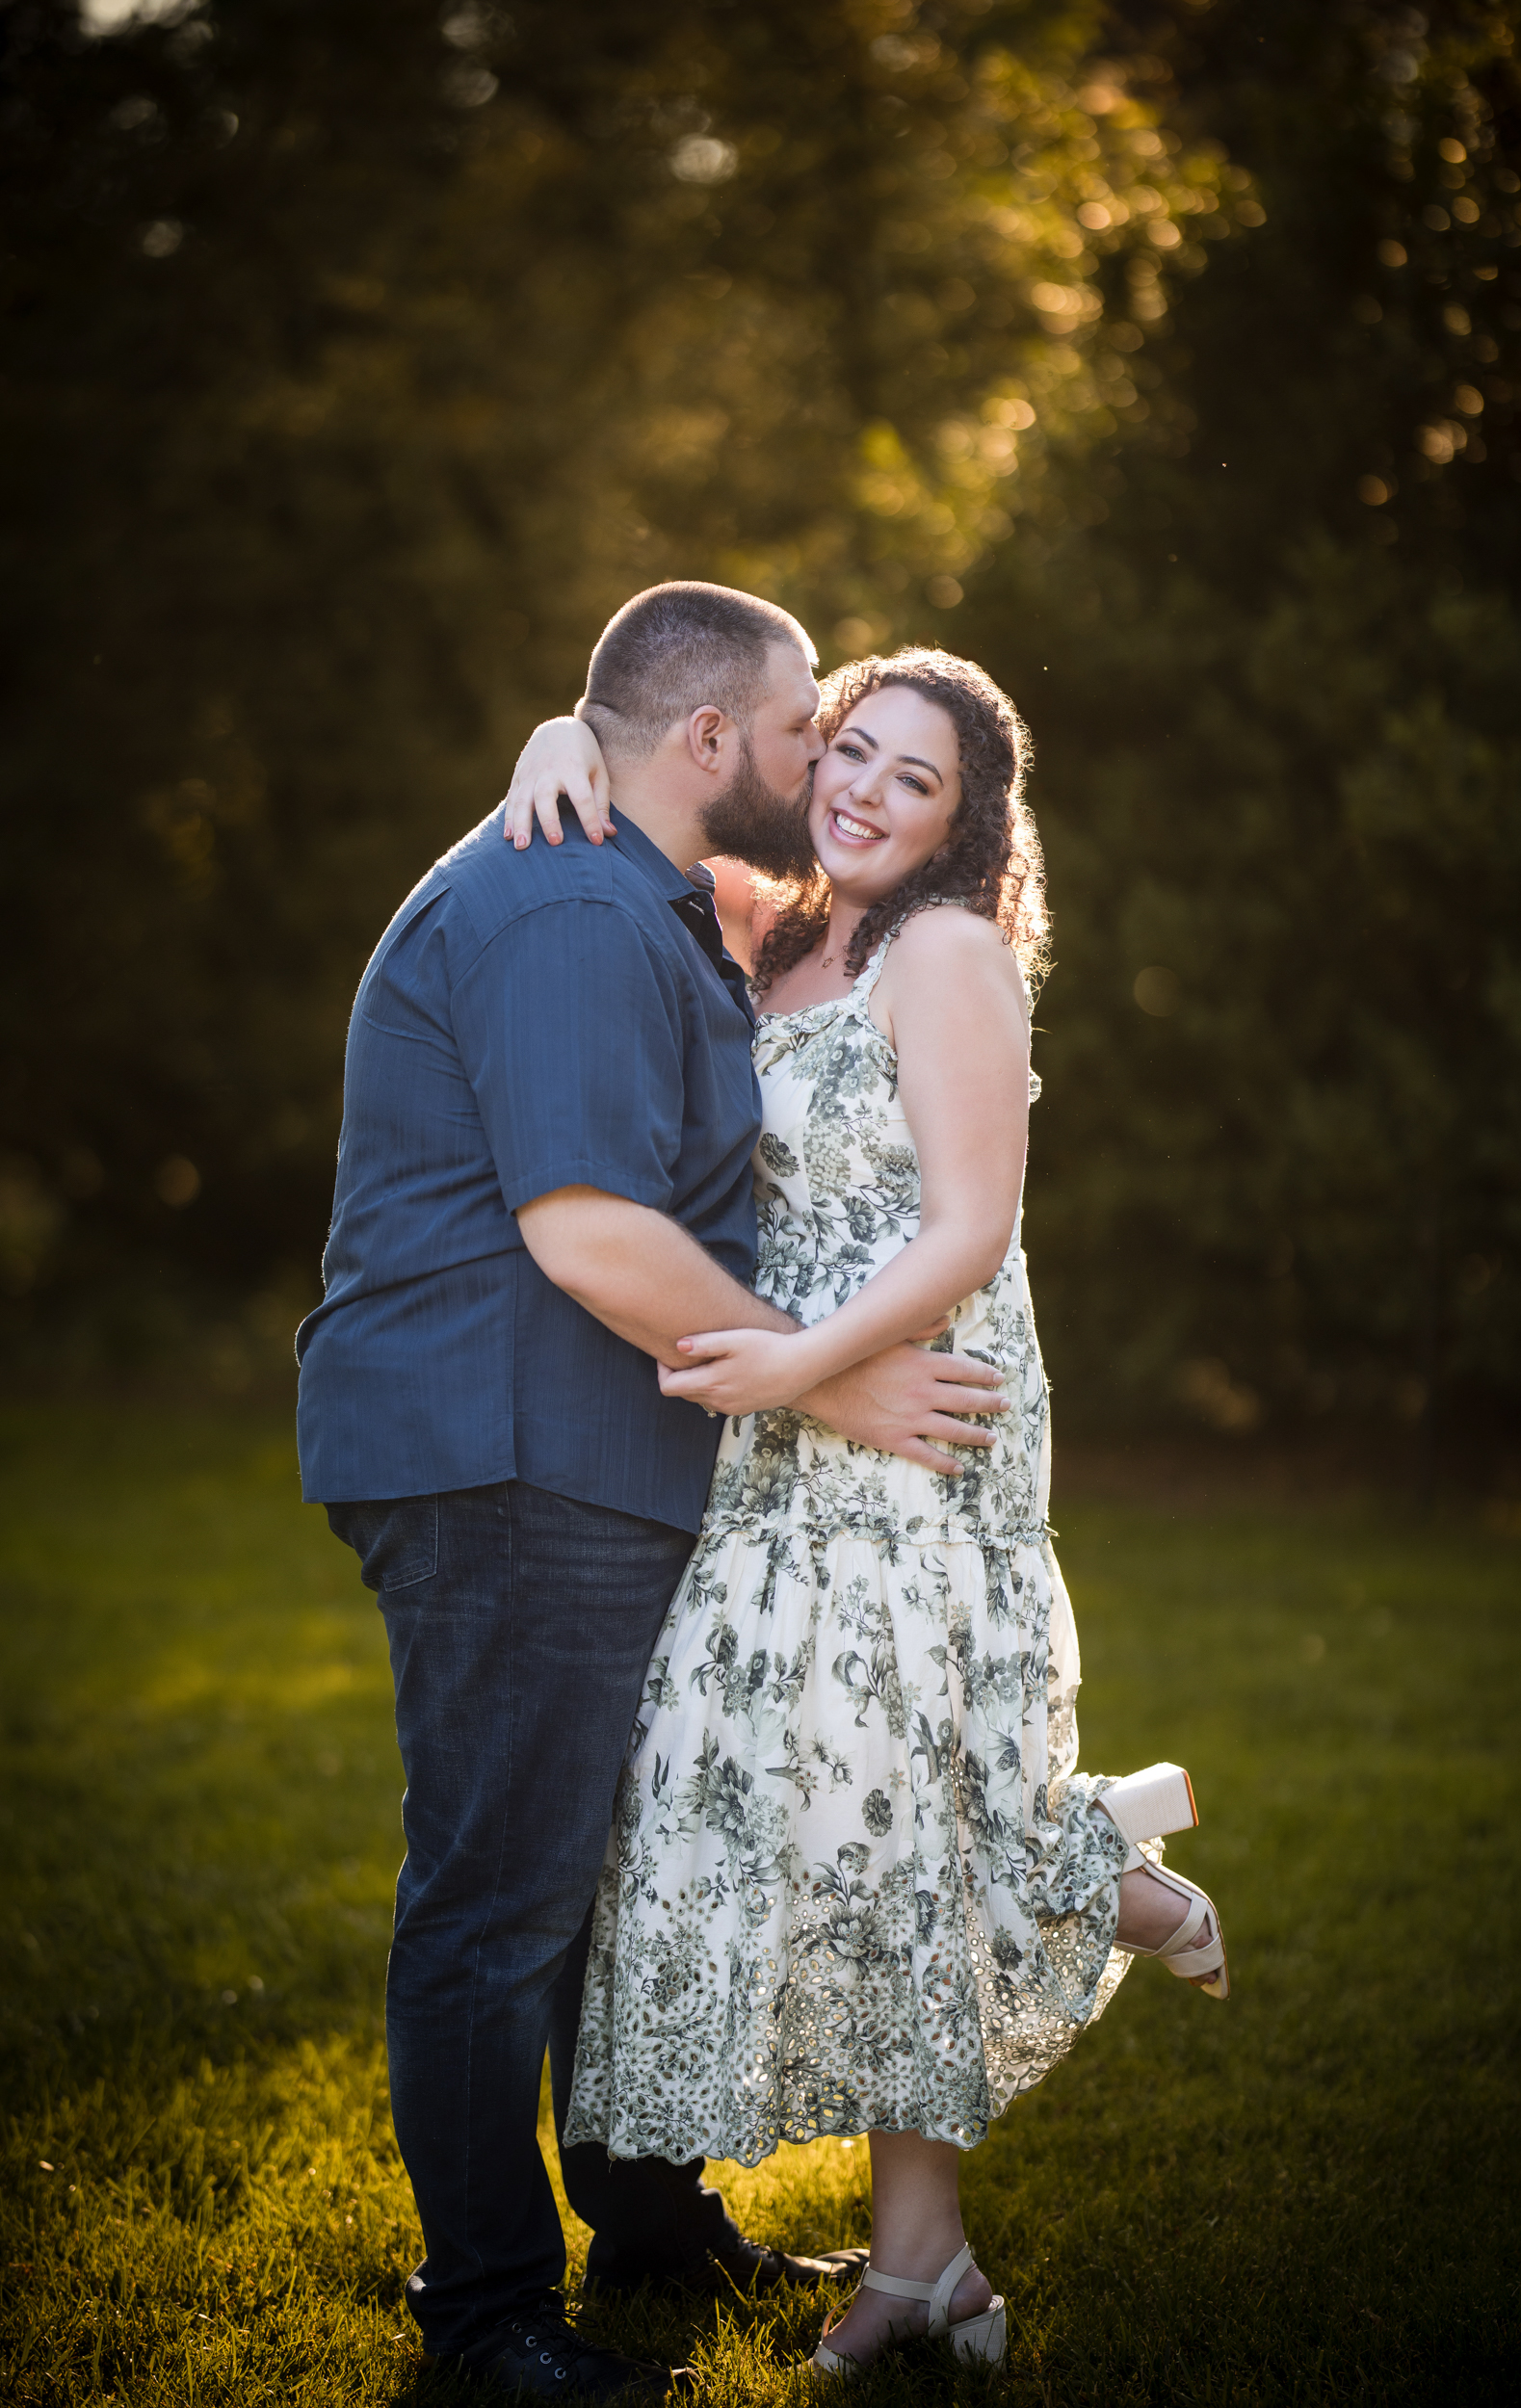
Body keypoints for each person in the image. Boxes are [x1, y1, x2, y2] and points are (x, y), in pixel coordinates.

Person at [296, 584, 1017, 2403]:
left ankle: (645, 2214)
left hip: (593, 1449)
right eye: (804, 732)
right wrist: (842, 1379)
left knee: (601, 1870)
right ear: (711, 745)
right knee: (499, 1897)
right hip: (504, 1451)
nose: (820, 764)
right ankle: (487, 2321)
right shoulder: (562, 900)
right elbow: (593, 1230)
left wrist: (567, 740)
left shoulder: (648, 887)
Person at [504, 644, 1227, 2381]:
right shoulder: (775, 924)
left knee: (895, 1791)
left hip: (920, 1413)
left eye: (920, 782)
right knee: (796, 1784)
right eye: (858, 753)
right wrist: (544, 736)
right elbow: (628, 774)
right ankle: (1063, 1913)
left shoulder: (949, 955)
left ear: (971, 828)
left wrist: (802, 1367)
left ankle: (1059, 1930)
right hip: (795, 1414)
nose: (871, 792)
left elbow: (971, 1227)